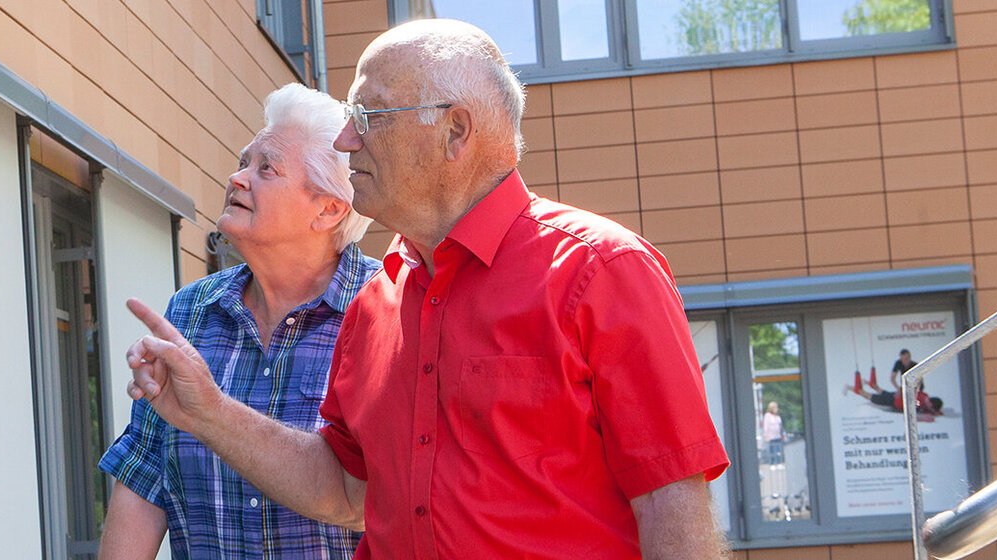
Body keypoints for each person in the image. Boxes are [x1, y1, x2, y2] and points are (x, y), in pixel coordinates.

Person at [121, 19, 728, 558]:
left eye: (368, 118)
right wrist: (210, 412)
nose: (345, 141)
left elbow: (672, 506)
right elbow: (344, 489)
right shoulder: (375, 301)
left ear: (455, 132)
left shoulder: (601, 272)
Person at [98, 83, 379, 560]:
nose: (237, 177)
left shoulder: (386, 310)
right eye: (243, 161)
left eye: (265, 168)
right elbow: (144, 477)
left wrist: (212, 412)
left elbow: (377, 498)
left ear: (329, 209)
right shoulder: (190, 311)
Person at [761, 401, 785, 466]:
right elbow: (766, 426)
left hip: (778, 436)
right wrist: (766, 436)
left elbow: (780, 426)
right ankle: (772, 463)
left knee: (778, 450)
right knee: (772, 450)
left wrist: (782, 435)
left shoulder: (777, 416)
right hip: (771, 436)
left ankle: (779, 462)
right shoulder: (767, 416)